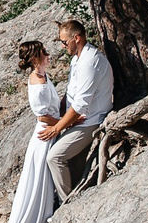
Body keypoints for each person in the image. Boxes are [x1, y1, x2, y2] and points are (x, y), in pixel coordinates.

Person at [0, 40, 65, 223]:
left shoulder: (43, 76)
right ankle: (32, 220)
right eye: (44, 52)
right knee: (39, 177)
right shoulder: (36, 82)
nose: (48, 54)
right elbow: (43, 116)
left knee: (43, 178)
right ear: (35, 58)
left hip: (52, 129)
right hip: (46, 132)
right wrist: (65, 123)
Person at [40, 17, 113, 200]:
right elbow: (71, 93)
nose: (63, 46)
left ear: (77, 38)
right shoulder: (77, 60)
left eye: (65, 41)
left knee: (54, 157)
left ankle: (67, 201)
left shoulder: (90, 62)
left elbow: (81, 104)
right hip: (79, 118)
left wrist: (57, 127)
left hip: (91, 120)